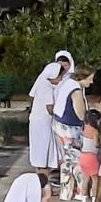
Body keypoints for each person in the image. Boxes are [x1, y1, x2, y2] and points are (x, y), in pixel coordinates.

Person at [52, 67, 98, 202]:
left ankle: (66, 192)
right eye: (90, 78)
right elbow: (81, 114)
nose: (92, 82)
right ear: (83, 77)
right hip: (70, 129)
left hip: (59, 125)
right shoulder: (76, 91)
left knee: (67, 161)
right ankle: (81, 191)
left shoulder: (68, 83)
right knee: (78, 161)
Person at [27, 53, 71, 181]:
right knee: (43, 153)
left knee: (43, 153)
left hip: (40, 122)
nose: (61, 79)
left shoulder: (44, 83)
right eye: (60, 77)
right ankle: (42, 181)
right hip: (42, 124)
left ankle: (42, 180)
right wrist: (64, 113)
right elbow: (50, 109)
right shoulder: (45, 87)